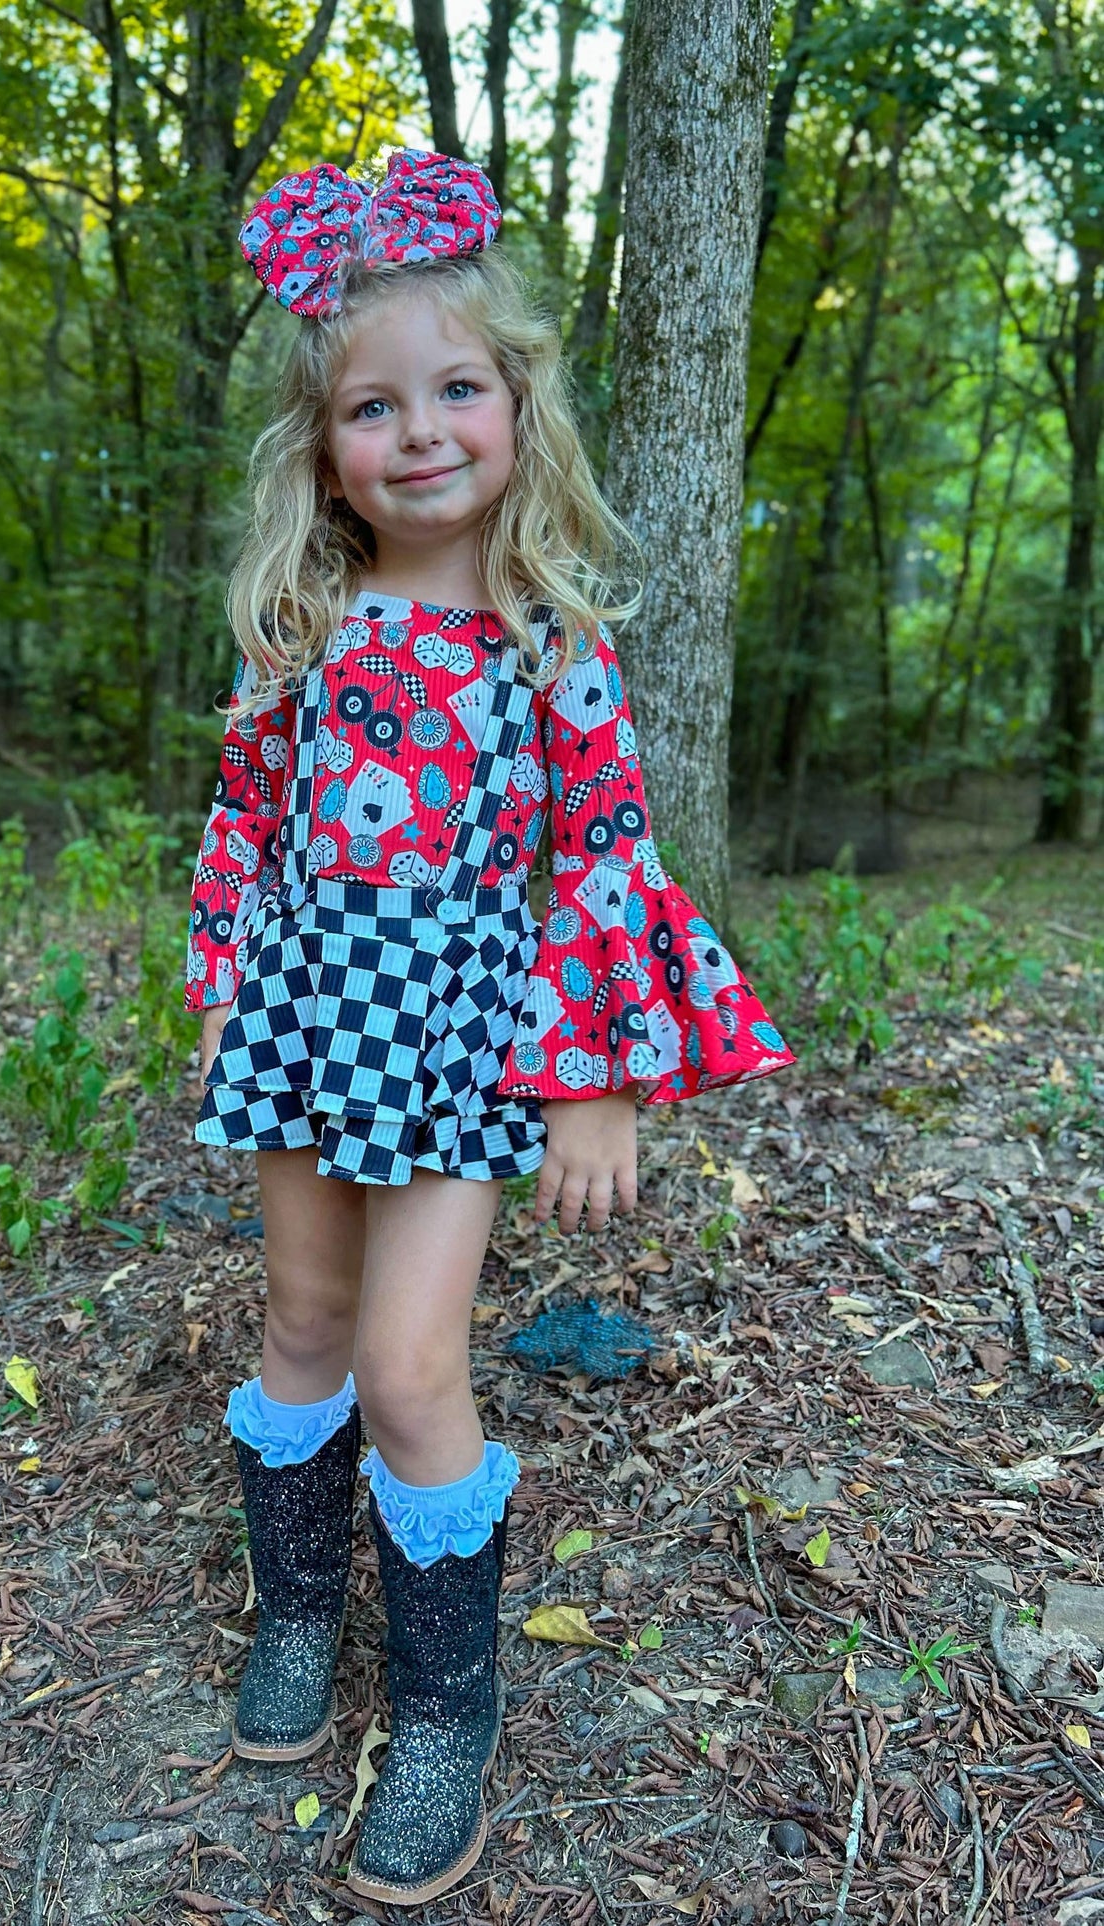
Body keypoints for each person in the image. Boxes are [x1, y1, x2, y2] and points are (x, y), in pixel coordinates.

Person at [181, 148, 795, 1908]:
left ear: (518, 408)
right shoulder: (300, 631)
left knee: (406, 1366)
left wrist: (600, 1077)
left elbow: (606, 858)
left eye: (459, 388)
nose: (423, 430)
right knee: (298, 1319)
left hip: (459, 1043)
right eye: (375, 405)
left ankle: (446, 1701)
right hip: (307, 1023)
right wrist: (223, 969)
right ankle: (300, 1614)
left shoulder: (550, 647)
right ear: (322, 450)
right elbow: (242, 820)